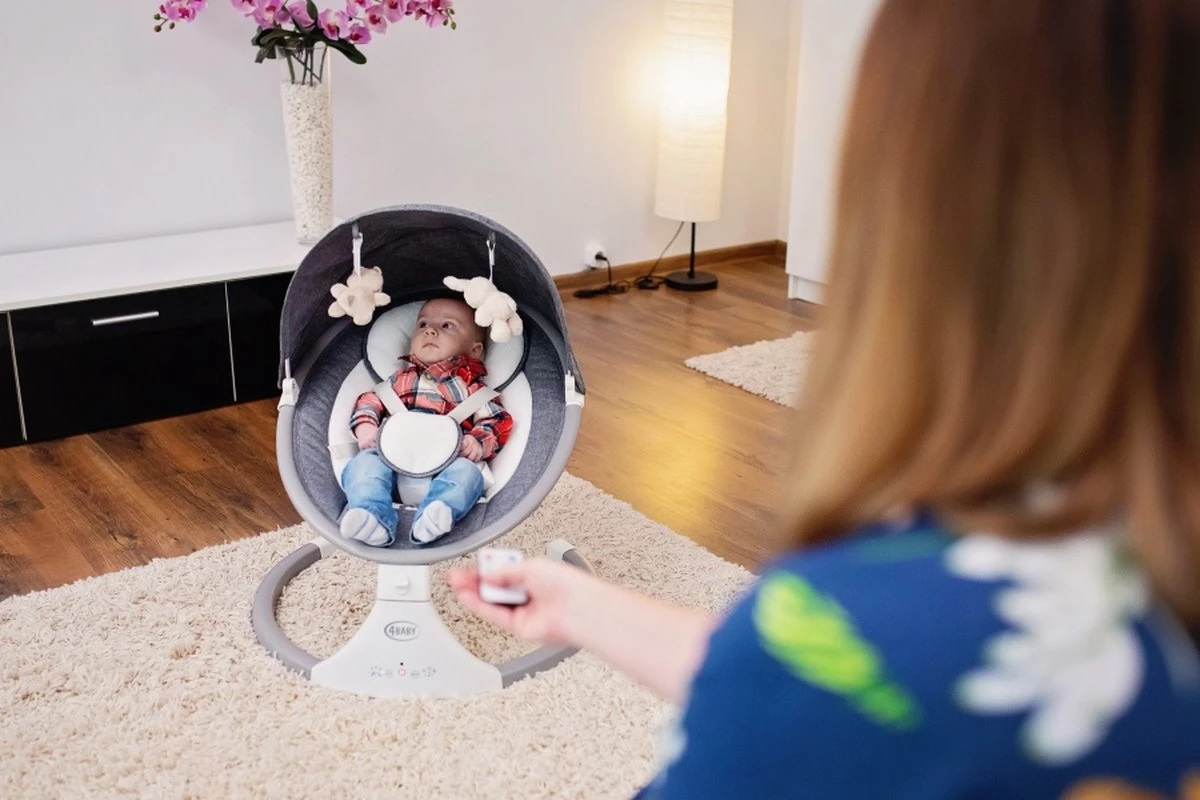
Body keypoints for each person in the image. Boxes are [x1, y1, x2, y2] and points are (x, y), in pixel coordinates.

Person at [448, 0, 1200, 796]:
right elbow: (840, 691)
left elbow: (829, 694)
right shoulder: (1115, 585)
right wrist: (582, 609)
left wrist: (767, 661)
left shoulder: (871, 624)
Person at [340, 297, 512, 546]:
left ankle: (436, 514)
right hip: (390, 462)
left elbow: (496, 420)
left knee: (468, 474)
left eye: (447, 326)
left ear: (475, 350)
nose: (430, 331)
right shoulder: (400, 380)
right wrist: (366, 428)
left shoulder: (472, 389)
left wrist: (477, 441)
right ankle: (371, 515)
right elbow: (370, 401)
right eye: (422, 324)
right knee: (364, 465)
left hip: (447, 465)